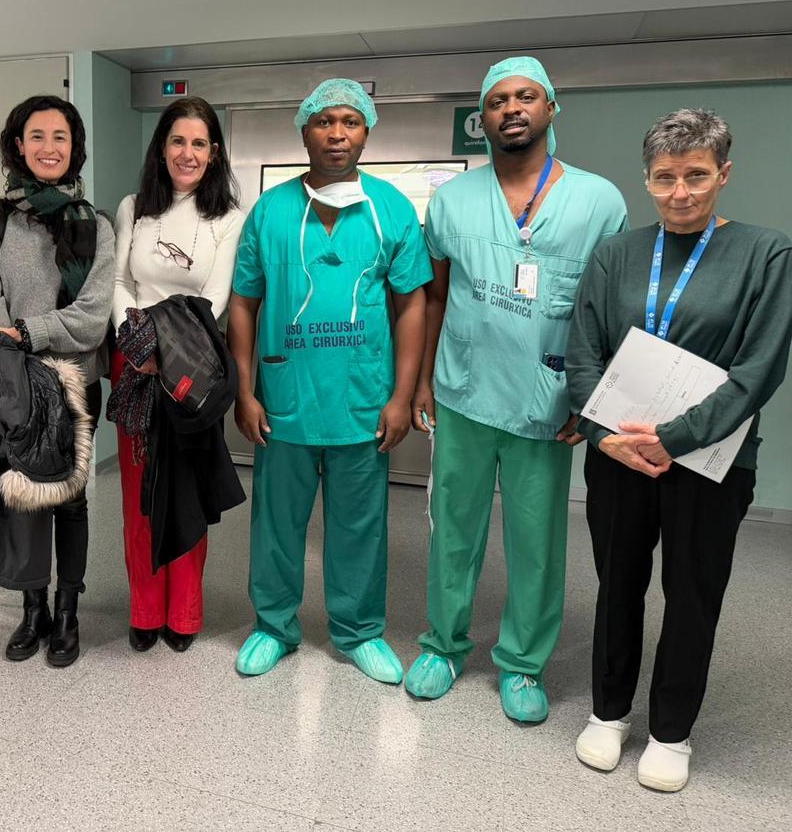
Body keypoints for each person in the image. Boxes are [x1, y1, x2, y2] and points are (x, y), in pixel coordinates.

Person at [567, 109, 792, 791]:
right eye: (665, 178)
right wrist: (603, 434)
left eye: (696, 175)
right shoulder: (615, 254)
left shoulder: (765, 254)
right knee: (617, 586)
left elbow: (759, 369)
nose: (681, 192)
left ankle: (671, 730)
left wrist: (675, 437)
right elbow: (583, 352)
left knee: (693, 593)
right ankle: (608, 712)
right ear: (647, 179)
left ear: (724, 173)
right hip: (618, 457)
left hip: (709, 461)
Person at [406, 56, 629, 722]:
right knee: (453, 531)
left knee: (536, 542)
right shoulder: (453, 200)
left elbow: (609, 312)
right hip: (463, 391)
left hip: (547, 400)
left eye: (526, 96)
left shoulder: (599, 201)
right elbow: (436, 295)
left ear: (550, 107)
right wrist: (423, 380)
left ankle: (523, 665)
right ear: (484, 118)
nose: (512, 109)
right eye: (498, 100)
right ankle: (443, 646)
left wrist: (593, 400)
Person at [229, 78, 431, 683]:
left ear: (366, 132)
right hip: (285, 398)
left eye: (350, 121)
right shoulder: (270, 211)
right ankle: (273, 626)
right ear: (304, 132)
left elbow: (413, 304)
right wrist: (244, 390)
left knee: (360, 526)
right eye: (324, 121)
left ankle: (359, 630)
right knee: (276, 525)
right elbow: (243, 302)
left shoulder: (391, 209)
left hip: (361, 400)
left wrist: (401, 396)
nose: (337, 133)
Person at [0, 95, 114, 668]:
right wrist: (13, 349)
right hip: (18, 385)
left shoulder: (96, 224)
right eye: (37, 136)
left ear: (75, 148)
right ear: (18, 145)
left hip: (75, 384)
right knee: (24, 498)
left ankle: (68, 610)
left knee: (70, 500)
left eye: (61, 137)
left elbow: (93, 317)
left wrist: (26, 332)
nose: (49, 148)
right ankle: (33, 610)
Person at [111, 96, 245, 653]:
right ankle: (145, 610)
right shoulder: (134, 207)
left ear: (213, 153)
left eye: (199, 143)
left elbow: (216, 296)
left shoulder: (229, 218)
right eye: (177, 141)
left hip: (194, 368)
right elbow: (120, 282)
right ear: (161, 147)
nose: (187, 153)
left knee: (186, 491)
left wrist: (167, 349)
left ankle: (184, 614)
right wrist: (137, 342)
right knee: (139, 494)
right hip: (135, 365)